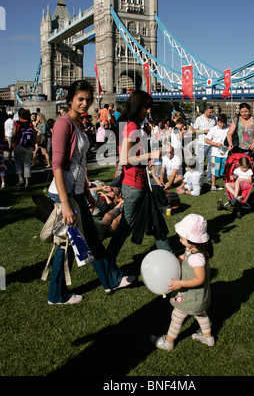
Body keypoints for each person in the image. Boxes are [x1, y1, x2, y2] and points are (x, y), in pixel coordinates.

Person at [47, 80, 135, 304]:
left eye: (88, 99)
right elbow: (57, 165)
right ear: (70, 100)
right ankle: (57, 295)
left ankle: (112, 280)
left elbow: (79, 164)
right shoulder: (63, 124)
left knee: (93, 239)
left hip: (76, 193)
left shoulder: (79, 124)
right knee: (67, 245)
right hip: (63, 194)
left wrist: (86, 193)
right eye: (80, 99)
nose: (85, 103)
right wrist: (65, 203)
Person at [106, 89, 173, 262]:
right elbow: (125, 159)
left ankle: (168, 256)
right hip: (134, 185)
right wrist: (152, 154)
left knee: (155, 219)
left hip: (139, 183)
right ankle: (107, 261)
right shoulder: (132, 126)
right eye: (146, 107)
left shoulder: (128, 124)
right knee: (126, 227)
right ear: (138, 106)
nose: (148, 110)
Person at [150, 214, 214, 351]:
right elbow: (183, 256)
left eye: (182, 238)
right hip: (199, 297)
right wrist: (175, 261)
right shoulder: (193, 249)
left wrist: (180, 283)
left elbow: (199, 279)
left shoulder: (197, 258)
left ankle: (168, 341)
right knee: (201, 314)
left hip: (189, 296)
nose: (179, 240)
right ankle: (208, 338)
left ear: (192, 239)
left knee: (176, 316)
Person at [193, 105, 217, 182]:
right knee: (200, 161)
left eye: (212, 112)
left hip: (212, 143)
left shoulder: (214, 118)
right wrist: (204, 131)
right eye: (210, 112)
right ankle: (199, 176)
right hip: (202, 142)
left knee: (211, 161)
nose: (211, 113)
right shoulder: (199, 119)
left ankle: (209, 177)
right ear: (205, 111)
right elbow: (194, 130)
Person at [12, 108, 35, 187]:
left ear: (19, 115)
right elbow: (34, 135)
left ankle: (20, 179)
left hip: (19, 145)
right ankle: (27, 181)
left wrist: (12, 143)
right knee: (27, 164)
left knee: (18, 162)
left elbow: (14, 135)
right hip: (29, 146)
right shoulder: (30, 123)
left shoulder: (16, 123)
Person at [205, 113, 229, 191]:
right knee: (214, 170)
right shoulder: (213, 129)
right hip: (215, 154)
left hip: (225, 154)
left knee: (224, 171)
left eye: (224, 123)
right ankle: (213, 185)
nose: (222, 124)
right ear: (218, 122)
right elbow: (207, 140)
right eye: (221, 122)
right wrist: (216, 144)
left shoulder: (228, 129)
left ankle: (226, 186)